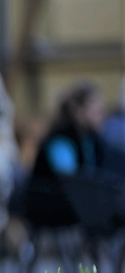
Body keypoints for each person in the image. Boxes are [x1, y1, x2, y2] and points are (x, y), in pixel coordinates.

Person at [28, 82, 109, 227]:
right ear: (79, 111)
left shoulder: (92, 139)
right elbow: (71, 180)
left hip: (75, 203)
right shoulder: (61, 139)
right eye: (96, 111)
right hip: (51, 205)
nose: (101, 116)